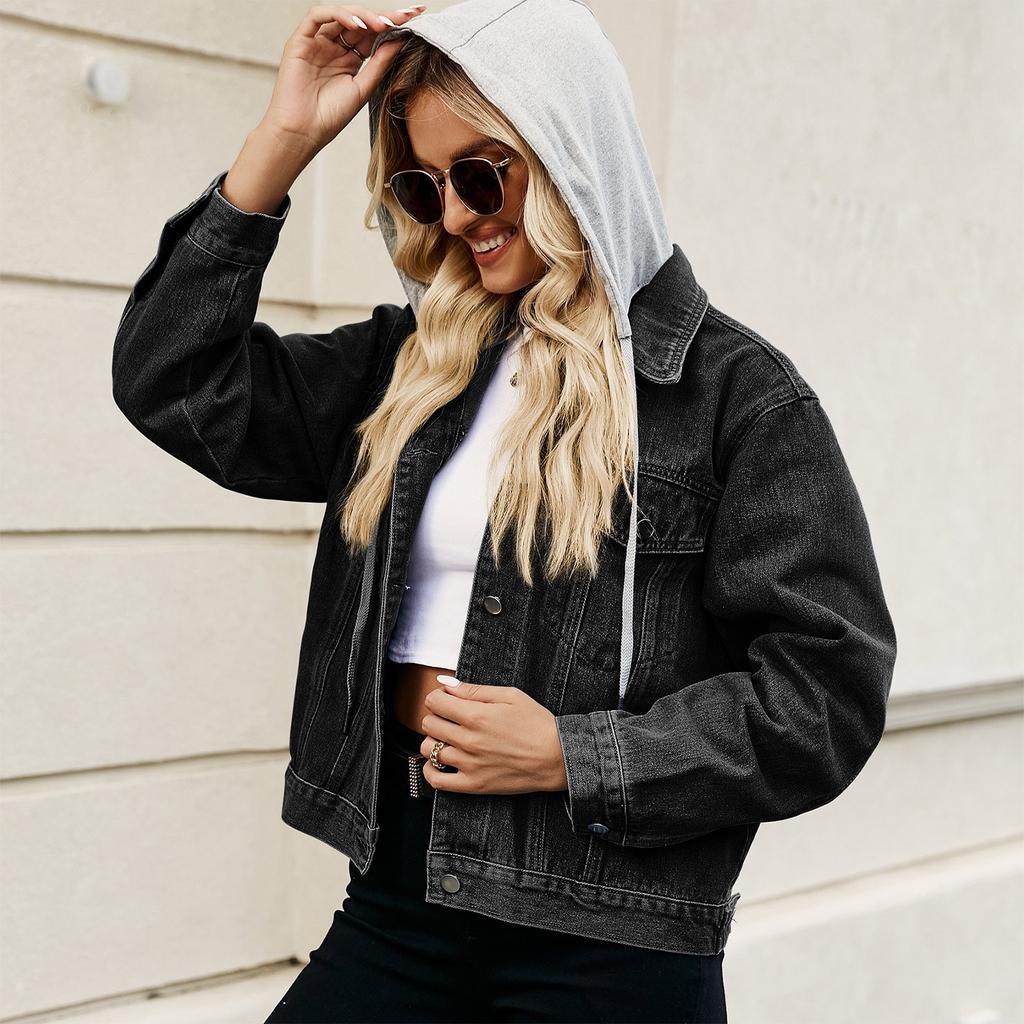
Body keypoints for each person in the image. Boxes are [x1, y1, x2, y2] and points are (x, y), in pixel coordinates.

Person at [111, 2, 898, 1021]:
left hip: (609, 934)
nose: (453, 216)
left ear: (570, 153)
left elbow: (825, 697)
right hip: (399, 896)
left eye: (481, 176)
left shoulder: (733, 398)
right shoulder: (410, 369)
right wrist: (284, 142)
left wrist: (576, 753)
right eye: (421, 185)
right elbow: (173, 380)